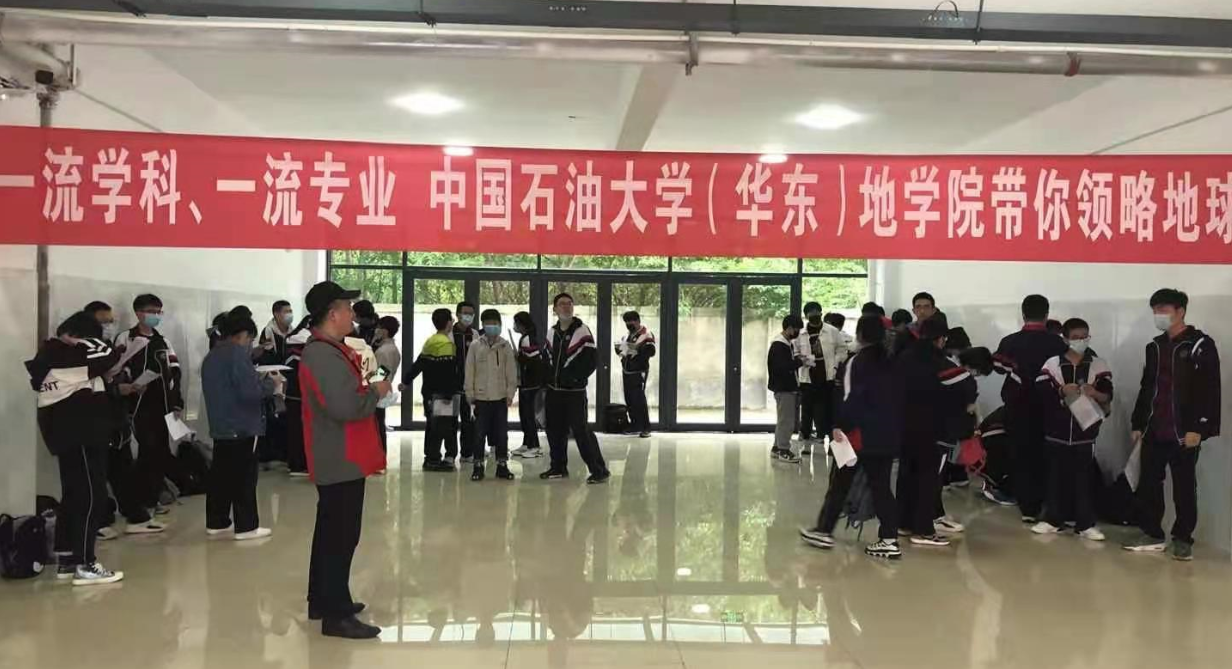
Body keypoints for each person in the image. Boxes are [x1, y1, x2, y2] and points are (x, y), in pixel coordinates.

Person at [299, 280, 391, 639]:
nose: (353, 313)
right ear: (332, 314)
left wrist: (374, 380)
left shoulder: (334, 349)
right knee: (340, 536)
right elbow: (345, 406)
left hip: (343, 453)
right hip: (339, 456)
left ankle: (323, 599)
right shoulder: (322, 354)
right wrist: (376, 392)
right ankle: (335, 616)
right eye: (348, 307)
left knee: (330, 532)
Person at [27, 311, 124, 585]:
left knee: (73, 495)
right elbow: (108, 354)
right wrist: (85, 341)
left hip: (72, 437)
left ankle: (68, 558)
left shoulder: (58, 358)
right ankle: (85, 562)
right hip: (82, 436)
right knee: (90, 496)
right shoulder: (64, 354)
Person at [1125, 289, 1221, 561]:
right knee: (1149, 482)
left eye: (1164, 309)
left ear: (1180, 311)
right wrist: (1138, 422)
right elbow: (1147, 387)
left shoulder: (1200, 345)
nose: (1159, 315)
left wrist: (1199, 428)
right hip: (1155, 427)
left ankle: (1183, 539)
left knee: (1184, 487)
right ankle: (1152, 534)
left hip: (1183, 431)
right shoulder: (1155, 346)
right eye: (1155, 310)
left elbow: (1210, 389)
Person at [800, 315, 905, 560]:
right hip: (887, 436)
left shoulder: (856, 362)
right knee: (881, 488)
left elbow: (850, 400)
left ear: (860, 335)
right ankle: (889, 540)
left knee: (839, 484)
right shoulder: (893, 363)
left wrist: (838, 426)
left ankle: (824, 531)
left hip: (857, 436)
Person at [896, 317, 977, 547]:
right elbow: (967, 385)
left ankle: (904, 523)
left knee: (907, 476)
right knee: (929, 480)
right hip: (933, 431)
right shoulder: (939, 361)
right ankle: (923, 530)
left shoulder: (905, 357)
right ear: (941, 339)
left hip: (905, 428)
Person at [202, 313, 283, 541]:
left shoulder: (212, 355)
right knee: (244, 478)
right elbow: (250, 392)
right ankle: (247, 526)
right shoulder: (237, 355)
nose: (250, 344)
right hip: (243, 425)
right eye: (250, 339)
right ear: (243, 334)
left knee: (221, 476)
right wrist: (272, 384)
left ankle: (217, 521)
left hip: (221, 425)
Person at [82, 301, 158, 541]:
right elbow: (87, 386)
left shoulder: (108, 347)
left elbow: (116, 374)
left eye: (110, 322)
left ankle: (136, 517)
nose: (108, 327)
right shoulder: (80, 351)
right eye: (103, 322)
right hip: (94, 420)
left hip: (116, 419)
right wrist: (116, 389)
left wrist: (130, 385)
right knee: (96, 476)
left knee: (123, 469)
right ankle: (99, 522)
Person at [1032, 318, 1112, 541]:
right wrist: (1061, 392)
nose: (1081, 341)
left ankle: (1085, 523)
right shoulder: (1052, 364)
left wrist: (1094, 393)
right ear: (1065, 339)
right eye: (1075, 337)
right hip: (1056, 432)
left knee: (1084, 479)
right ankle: (1052, 520)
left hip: (1085, 433)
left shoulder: (1098, 365)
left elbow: (1108, 395)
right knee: (1054, 477)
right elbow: (1041, 393)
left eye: (1085, 336)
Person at [993, 294, 1068, 524]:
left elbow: (999, 367)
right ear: (1047, 314)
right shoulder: (1057, 344)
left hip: (1017, 407)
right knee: (1047, 456)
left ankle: (1028, 508)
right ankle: (1048, 503)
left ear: (1023, 314)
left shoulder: (1009, 342)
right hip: (1049, 408)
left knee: (1021, 456)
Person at [115, 293, 184, 527]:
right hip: (137, 406)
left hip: (162, 406)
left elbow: (175, 372)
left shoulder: (163, 341)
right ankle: (141, 502)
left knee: (160, 452)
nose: (155, 316)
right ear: (138, 313)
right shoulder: (126, 338)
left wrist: (177, 403)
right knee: (146, 451)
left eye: (158, 312)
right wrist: (130, 386)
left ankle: (153, 498)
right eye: (150, 311)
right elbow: (116, 368)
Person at [540, 293, 610, 483]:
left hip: (574, 393)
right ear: (554, 309)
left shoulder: (582, 331)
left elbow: (590, 361)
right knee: (554, 431)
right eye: (562, 304)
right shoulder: (551, 332)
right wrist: (547, 381)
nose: (566, 307)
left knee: (582, 432)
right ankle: (558, 467)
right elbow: (546, 359)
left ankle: (599, 471)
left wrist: (574, 378)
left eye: (569, 303)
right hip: (554, 392)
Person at [465, 309, 519, 481]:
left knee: (501, 434)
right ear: (483, 325)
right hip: (480, 398)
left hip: (500, 398)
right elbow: (469, 371)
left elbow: (511, 372)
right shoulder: (475, 345)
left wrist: (510, 393)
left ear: (500, 325)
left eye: (495, 323)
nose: (492, 326)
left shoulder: (505, 346)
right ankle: (478, 466)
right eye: (488, 323)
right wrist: (469, 393)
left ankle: (502, 466)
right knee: (479, 434)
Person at [406, 308, 461, 472]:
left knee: (433, 426)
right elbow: (448, 372)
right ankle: (440, 458)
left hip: (429, 392)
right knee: (446, 426)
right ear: (448, 323)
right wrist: (449, 394)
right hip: (443, 394)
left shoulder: (430, 341)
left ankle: (431, 457)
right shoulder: (446, 344)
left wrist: (406, 381)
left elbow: (419, 364)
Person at [799, 303, 847, 454]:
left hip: (827, 377)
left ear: (821, 313)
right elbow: (795, 352)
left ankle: (830, 444)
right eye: (810, 313)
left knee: (827, 411)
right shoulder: (801, 334)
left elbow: (842, 349)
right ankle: (805, 443)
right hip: (807, 378)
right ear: (806, 316)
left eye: (816, 312)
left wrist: (835, 364)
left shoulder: (832, 331)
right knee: (806, 412)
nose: (814, 315)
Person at [768, 314, 805, 464]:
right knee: (787, 421)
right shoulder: (779, 345)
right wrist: (799, 362)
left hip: (786, 387)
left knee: (783, 420)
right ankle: (784, 450)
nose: (797, 333)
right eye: (796, 330)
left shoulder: (785, 344)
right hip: (784, 388)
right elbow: (782, 368)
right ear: (789, 328)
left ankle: (777, 447)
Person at [512, 311, 549, 459]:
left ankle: (535, 446)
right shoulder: (525, 338)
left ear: (522, 324)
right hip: (525, 383)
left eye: (516, 323)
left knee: (528, 415)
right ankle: (526, 443)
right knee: (523, 414)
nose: (514, 326)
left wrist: (519, 357)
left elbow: (534, 362)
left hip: (531, 384)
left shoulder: (528, 339)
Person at [617, 310, 656, 438]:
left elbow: (651, 351)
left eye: (631, 322)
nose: (629, 324)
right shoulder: (627, 335)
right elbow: (622, 350)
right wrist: (620, 349)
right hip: (627, 370)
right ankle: (635, 425)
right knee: (629, 398)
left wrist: (637, 350)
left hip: (639, 371)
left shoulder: (646, 334)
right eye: (626, 322)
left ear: (638, 321)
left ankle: (646, 427)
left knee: (639, 399)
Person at [453, 301, 482, 462]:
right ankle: (450, 454)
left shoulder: (475, 334)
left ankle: (467, 453)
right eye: (465, 313)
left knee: (468, 421)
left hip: (470, 385)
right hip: (452, 385)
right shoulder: (450, 334)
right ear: (458, 314)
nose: (468, 316)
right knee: (450, 421)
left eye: (471, 314)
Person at [285, 316, 312, 477]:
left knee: (296, 429)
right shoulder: (302, 343)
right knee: (299, 430)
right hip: (300, 393)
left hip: (295, 393)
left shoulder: (293, 340)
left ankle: (297, 463)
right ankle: (298, 464)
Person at [372, 316, 402, 454]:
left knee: (377, 426)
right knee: (379, 424)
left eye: (379, 327)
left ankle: (379, 455)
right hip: (382, 390)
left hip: (377, 391)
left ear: (384, 331)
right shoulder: (389, 348)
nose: (376, 330)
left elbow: (381, 374)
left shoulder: (385, 351)